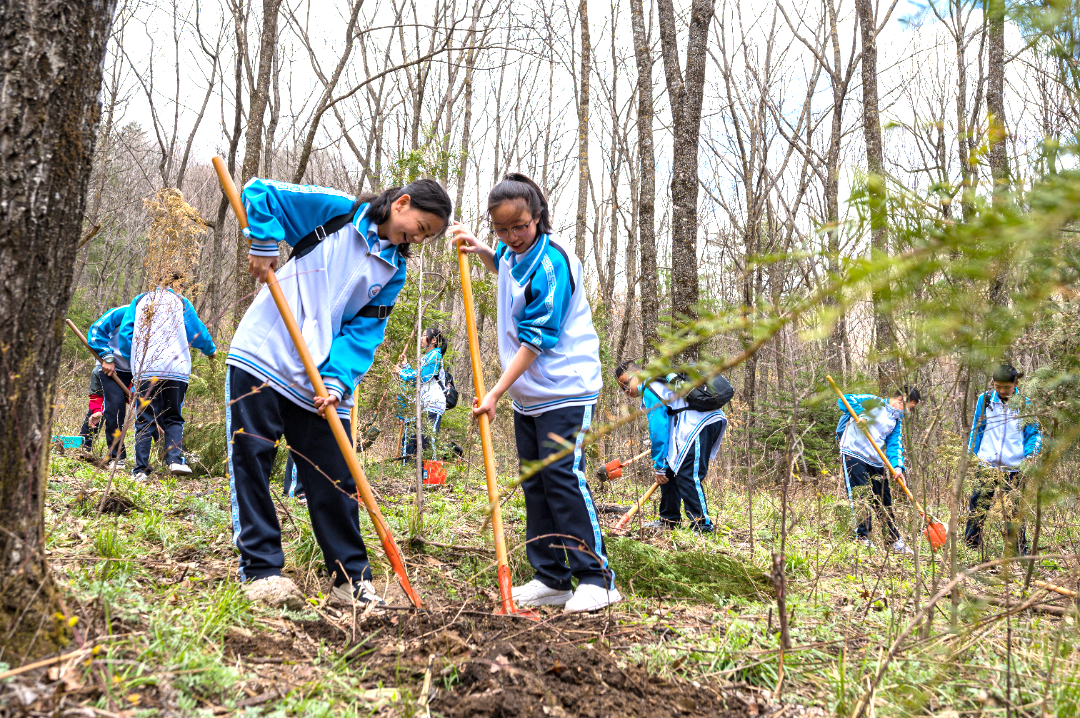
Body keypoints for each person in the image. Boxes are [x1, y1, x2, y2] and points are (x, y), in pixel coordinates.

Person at [227, 176, 451, 609]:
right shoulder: (336, 212)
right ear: (401, 203)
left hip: (321, 380)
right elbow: (259, 191)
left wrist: (336, 380)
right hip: (265, 352)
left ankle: (351, 581)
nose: (416, 239)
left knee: (336, 478)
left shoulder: (393, 269)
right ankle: (261, 571)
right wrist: (264, 244)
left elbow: (363, 332)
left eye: (424, 237)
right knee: (252, 459)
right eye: (418, 228)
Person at [451, 173, 617, 613]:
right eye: (501, 230)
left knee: (562, 477)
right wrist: (480, 249)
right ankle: (551, 576)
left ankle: (596, 578)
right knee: (535, 482)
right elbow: (506, 267)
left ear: (537, 216)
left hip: (566, 386)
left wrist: (494, 393)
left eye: (519, 226)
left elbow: (534, 341)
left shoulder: (552, 262)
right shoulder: (511, 249)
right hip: (530, 394)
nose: (511, 237)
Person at [119, 273, 217, 481]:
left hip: (146, 368)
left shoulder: (140, 300)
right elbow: (197, 331)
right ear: (178, 286)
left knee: (144, 418)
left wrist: (134, 358)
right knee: (173, 415)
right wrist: (211, 350)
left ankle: (141, 470)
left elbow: (125, 335)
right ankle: (174, 460)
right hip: (176, 369)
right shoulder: (181, 302)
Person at [615, 361, 728, 533]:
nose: (625, 390)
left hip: (700, 423)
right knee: (670, 470)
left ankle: (702, 524)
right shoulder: (656, 385)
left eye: (625, 383)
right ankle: (669, 519)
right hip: (690, 424)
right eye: (621, 388)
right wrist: (663, 464)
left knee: (688, 474)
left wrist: (658, 464)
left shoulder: (650, 387)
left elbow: (658, 429)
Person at [964, 364, 1042, 555]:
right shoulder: (985, 400)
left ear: (1015, 383)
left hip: (1014, 467)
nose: (1001, 391)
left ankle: (1018, 551)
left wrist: (1030, 456)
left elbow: (1034, 433)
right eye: (997, 386)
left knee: (1014, 511)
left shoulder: (1025, 404)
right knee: (978, 506)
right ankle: (970, 546)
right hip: (986, 463)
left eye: (1005, 387)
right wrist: (971, 456)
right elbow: (977, 429)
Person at [835, 387, 921, 553]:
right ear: (900, 400)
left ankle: (893, 540)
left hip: (875, 459)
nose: (909, 412)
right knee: (861, 496)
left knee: (884, 499)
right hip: (853, 451)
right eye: (909, 408)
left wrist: (897, 468)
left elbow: (894, 446)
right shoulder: (874, 402)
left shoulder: (896, 421)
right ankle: (862, 538)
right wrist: (860, 414)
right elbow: (844, 399)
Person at [89, 305, 135, 468]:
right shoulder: (122, 312)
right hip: (112, 367)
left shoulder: (158, 320)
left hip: (141, 369)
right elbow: (96, 331)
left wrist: (133, 390)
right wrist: (107, 357)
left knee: (152, 409)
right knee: (114, 408)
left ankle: (171, 455)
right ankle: (117, 456)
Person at [396, 327, 447, 462]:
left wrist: (401, 373)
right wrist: (406, 367)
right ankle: (410, 474)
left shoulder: (436, 356)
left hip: (433, 403)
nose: (422, 338)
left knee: (428, 440)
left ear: (434, 340)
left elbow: (422, 377)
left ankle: (431, 474)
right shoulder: (426, 357)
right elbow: (416, 379)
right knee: (413, 439)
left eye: (425, 335)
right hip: (423, 403)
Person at [78, 364, 105, 451]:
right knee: (94, 416)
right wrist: (98, 411)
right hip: (101, 400)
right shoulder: (98, 371)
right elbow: (96, 396)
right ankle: (84, 447)